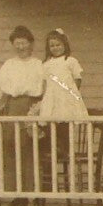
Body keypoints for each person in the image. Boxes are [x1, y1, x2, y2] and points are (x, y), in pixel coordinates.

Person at [0, 25, 46, 197]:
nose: (21, 47)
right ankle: (11, 193)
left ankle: (29, 192)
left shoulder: (38, 64)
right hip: (12, 106)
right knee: (10, 147)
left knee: (28, 148)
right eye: (17, 43)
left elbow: (43, 88)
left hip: (31, 106)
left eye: (24, 43)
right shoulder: (9, 65)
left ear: (31, 44)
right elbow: (1, 89)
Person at [40, 29, 88, 194]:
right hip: (52, 98)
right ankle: (52, 154)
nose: (55, 48)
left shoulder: (70, 61)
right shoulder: (45, 64)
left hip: (66, 97)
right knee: (50, 125)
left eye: (58, 44)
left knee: (65, 124)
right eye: (52, 45)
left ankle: (64, 149)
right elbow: (44, 84)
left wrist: (71, 95)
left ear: (64, 45)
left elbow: (78, 79)